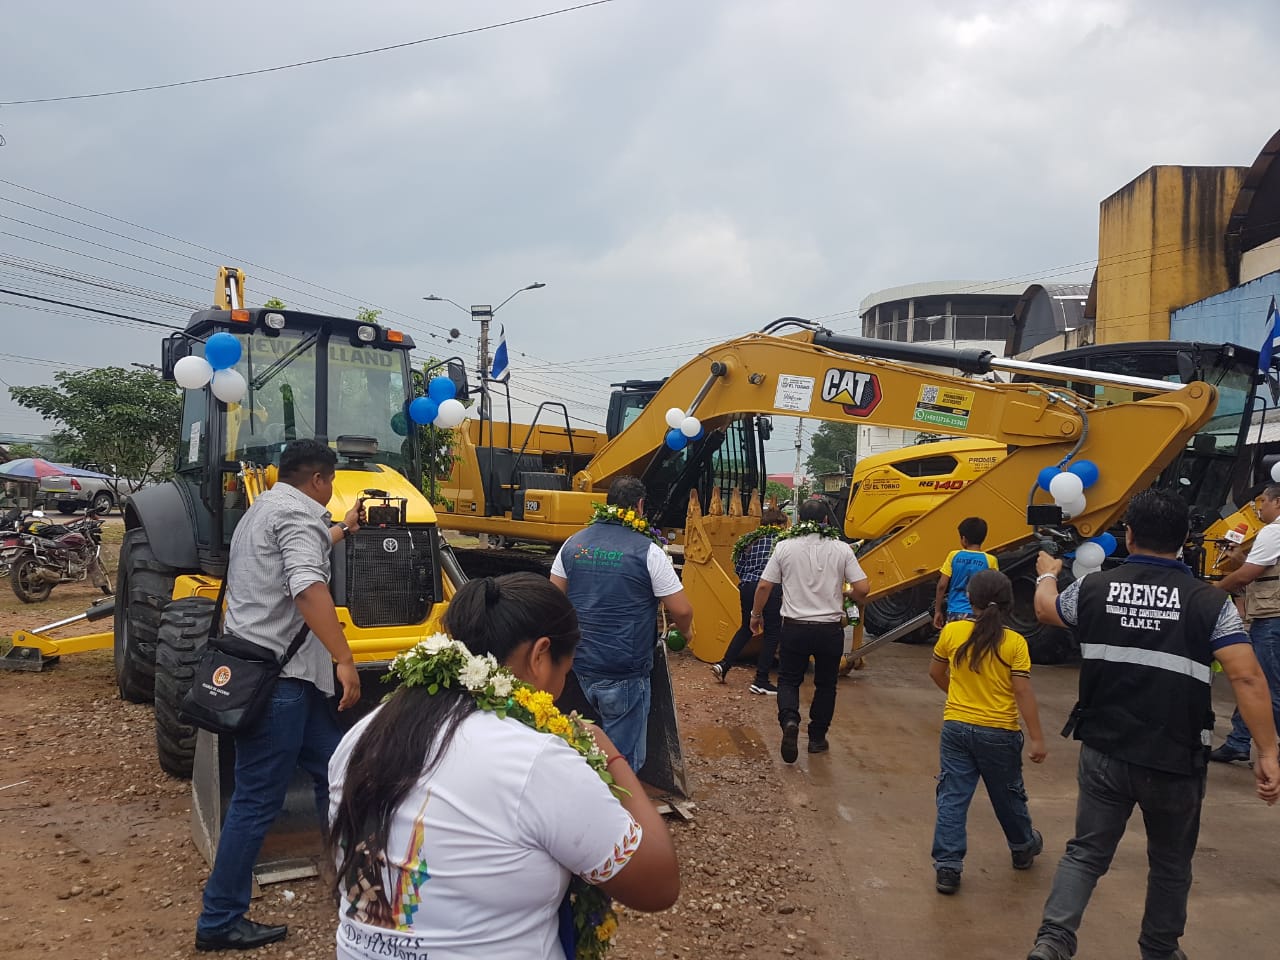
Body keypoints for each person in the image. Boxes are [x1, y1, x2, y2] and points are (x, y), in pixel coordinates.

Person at [327, 573, 680, 960]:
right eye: (566, 671)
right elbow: (657, 885)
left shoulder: (363, 733)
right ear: (540, 655)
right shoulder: (534, 758)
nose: (563, 684)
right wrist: (610, 756)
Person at [1025, 488, 1280, 960]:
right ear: (1185, 538)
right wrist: (1267, 751)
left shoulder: (1095, 588)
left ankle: (1053, 941)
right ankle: (1160, 949)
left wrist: (1047, 576)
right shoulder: (1208, 602)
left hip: (1104, 747)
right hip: (1175, 757)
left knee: (1086, 852)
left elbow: (1046, 610)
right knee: (1169, 861)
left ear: (1129, 534)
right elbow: (1246, 676)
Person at [195, 438, 363, 952]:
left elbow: (299, 550)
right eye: (330, 481)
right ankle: (219, 919)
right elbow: (308, 587)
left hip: (272, 675)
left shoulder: (263, 508)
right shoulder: (299, 517)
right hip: (281, 684)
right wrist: (345, 658)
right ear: (319, 479)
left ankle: (351, 880)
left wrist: (342, 529)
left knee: (335, 768)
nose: (330, 490)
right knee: (255, 802)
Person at [550, 476, 694, 771]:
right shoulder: (649, 550)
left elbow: (552, 601)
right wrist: (686, 631)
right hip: (623, 670)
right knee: (621, 761)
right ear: (639, 506)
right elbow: (681, 609)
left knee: (582, 746)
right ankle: (618, 811)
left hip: (578, 666)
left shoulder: (572, 543)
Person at [928, 569, 1047, 896]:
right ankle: (1023, 846)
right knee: (1008, 794)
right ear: (1009, 603)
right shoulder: (1015, 643)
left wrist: (957, 696)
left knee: (952, 796)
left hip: (955, 727)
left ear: (969, 598)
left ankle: (948, 869)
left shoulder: (952, 632)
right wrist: (1036, 737)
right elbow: (1022, 692)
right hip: (999, 732)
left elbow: (936, 672)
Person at [751, 499, 869, 762]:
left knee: (788, 680)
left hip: (794, 628)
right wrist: (846, 593)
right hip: (829, 630)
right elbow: (863, 588)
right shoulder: (842, 549)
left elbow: (763, 587)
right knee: (826, 684)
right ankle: (816, 738)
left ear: (798, 520)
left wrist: (755, 616)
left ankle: (790, 720)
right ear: (827, 521)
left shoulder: (784, 547)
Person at [1209, 483, 1280, 763]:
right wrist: (1240, 558)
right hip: (1269, 616)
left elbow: (1244, 577)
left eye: (1262, 502)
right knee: (1256, 679)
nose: (1258, 508)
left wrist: (1210, 593)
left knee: (1267, 687)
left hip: (1272, 618)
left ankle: (1252, 742)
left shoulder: (1274, 531)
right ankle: (1239, 740)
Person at [711, 507, 788, 694]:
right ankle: (761, 679)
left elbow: (738, 567)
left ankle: (724, 664)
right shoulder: (782, 542)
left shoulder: (749, 540)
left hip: (747, 587)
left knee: (746, 627)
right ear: (779, 524)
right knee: (772, 633)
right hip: (769, 587)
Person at [933, 516, 998, 629]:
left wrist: (937, 610)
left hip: (954, 611)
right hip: (979, 613)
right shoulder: (990, 560)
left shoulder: (953, 556)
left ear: (964, 539)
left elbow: (942, 585)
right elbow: (994, 590)